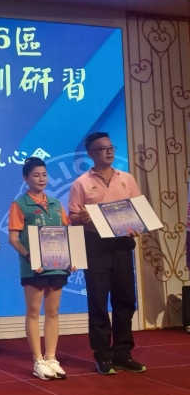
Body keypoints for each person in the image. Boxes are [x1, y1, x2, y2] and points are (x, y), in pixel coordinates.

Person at [68, 132, 146, 374]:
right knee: (98, 302)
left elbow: (138, 210)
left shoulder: (127, 179)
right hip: (96, 247)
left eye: (111, 147)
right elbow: (72, 216)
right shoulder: (81, 183)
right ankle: (102, 355)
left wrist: (138, 225)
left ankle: (123, 352)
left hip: (122, 246)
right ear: (91, 154)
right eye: (102, 149)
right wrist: (81, 217)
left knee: (125, 300)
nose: (109, 151)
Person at [7, 157, 71, 381]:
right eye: (36, 175)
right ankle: (38, 360)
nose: (41, 179)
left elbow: (66, 233)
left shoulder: (55, 203)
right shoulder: (20, 205)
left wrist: (71, 256)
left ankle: (51, 358)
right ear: (26, 178)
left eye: (44, 174)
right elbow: (13, 239)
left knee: (53, 312)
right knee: (34, 312)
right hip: (34, 268)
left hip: (58, 267)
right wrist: (30, 257)